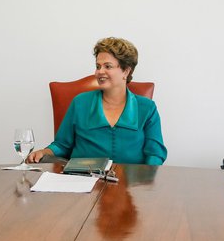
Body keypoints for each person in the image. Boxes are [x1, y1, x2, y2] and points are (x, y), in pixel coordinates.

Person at [28, 37, 167, 165]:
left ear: (126, 71)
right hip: (82, 181)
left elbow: (155, 154)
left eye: (108, 66)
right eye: (98, 66)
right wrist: (44, 152)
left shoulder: (147, 108)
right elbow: (61, 145)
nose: (100, 72)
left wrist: (146, 184)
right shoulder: (80, 103)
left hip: (130, 184)